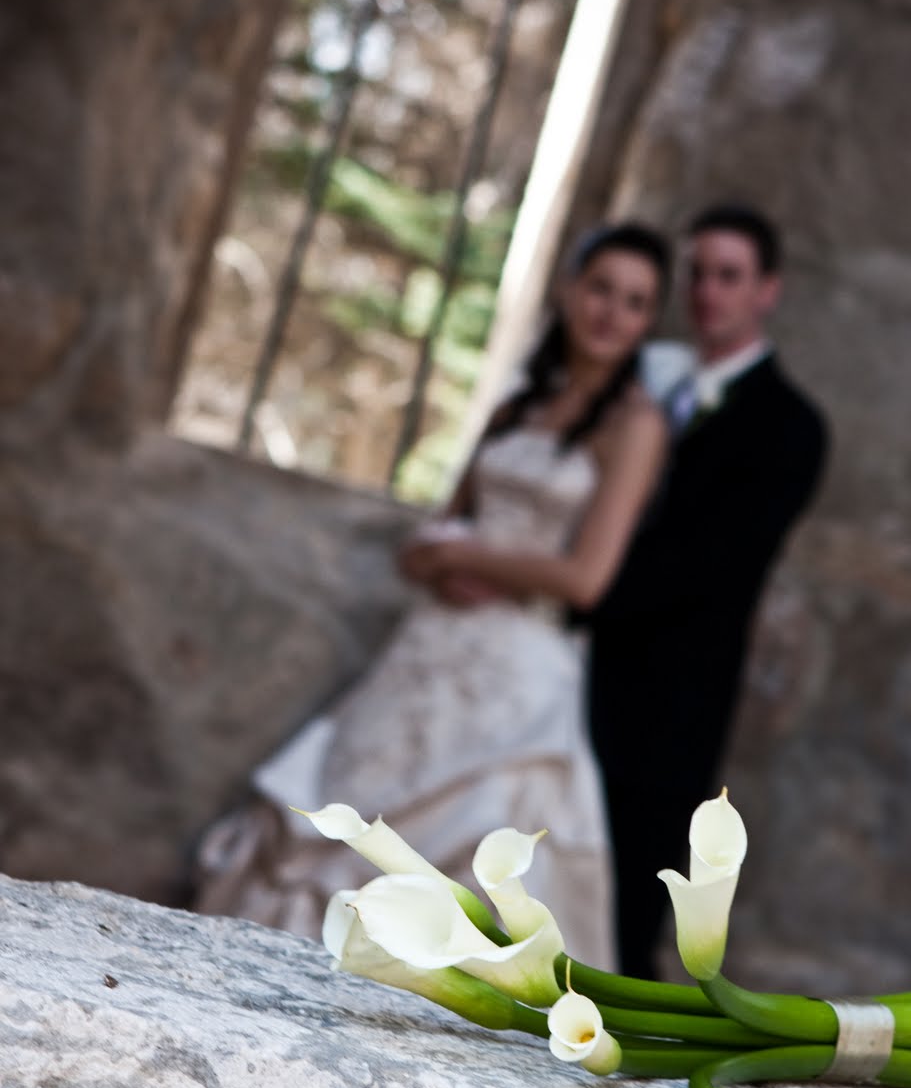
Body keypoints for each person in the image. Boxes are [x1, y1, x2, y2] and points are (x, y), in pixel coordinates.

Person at [196, 222, 672, 969]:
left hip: (518, 665)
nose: (612, 312)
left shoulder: (635, 424)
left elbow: (587, 578)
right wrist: (444, 560)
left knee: (471, 838)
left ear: (648, 322)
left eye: (635, 303)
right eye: (600, 289)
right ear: (568, 290)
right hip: (432, 641)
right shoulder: (518, 401)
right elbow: (431, 535)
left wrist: (479, 556)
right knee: (343, 816)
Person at [585, 203, 830, 981]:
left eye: (728, 276)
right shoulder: (643, 377)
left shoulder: (792, 427)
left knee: (621, 903)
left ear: (767, 291)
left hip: (669, 699)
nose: (706, 291)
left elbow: (707, 563)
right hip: (573, 663)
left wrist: (568, 592)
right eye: (695, 273)